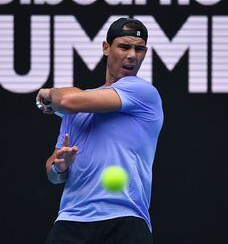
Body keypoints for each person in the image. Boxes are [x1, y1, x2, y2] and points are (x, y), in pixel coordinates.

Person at [36, 17, 164, 244]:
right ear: (106, 48)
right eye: (124, 46)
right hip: (71, 220)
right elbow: (52, 174)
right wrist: (60, 167)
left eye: (139, 49)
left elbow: (66, 100)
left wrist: (48, 93)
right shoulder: (78, 107)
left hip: (125, 220)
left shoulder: (143, 92)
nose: (132, 55)